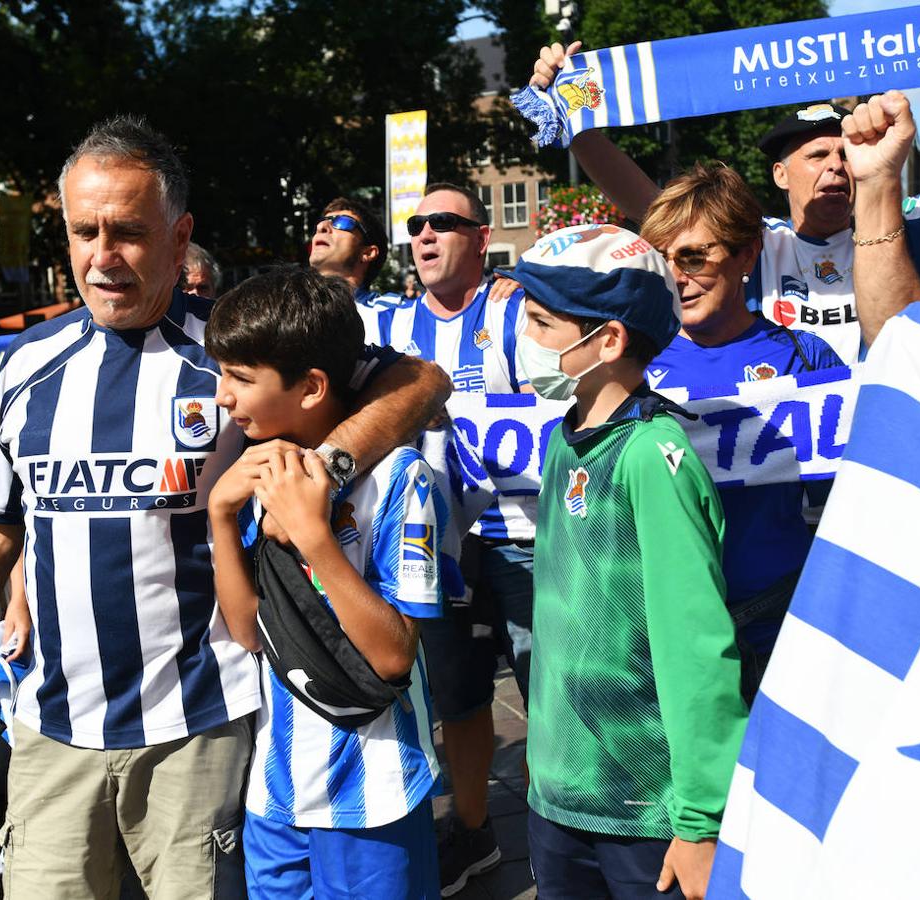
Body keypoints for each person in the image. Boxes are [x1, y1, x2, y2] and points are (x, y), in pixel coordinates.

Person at [0, 115, 452, 900]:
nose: (102, 257)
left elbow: (420, 380)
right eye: (84, 232)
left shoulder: (232, 357)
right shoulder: (24, 369)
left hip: (198, 736)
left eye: (128, 233)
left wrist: (320, 470)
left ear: (179, 241)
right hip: (51, 736)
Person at [525, 42, 920, 361]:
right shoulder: (753, 245)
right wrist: (574, 120)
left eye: (846, 152)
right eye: (817, 155)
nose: (838, 166)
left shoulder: (908, 226)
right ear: (779, 174)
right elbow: (651, 206)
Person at [508, 223, 746, 900]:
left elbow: (693, 644)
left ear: (607, 340)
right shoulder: (565, 438)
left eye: (541, 322)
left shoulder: (650, 455)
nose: (525, 342)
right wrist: (541, 761)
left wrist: (702, 820)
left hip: (647, 815)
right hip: (559, 798)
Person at [206, 266, 445, 899]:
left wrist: (314, 536)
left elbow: (395, 653)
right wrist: (222, 519)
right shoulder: (262, 463)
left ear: (312, 386)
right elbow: (248, 634)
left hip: (375, 792)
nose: (223, 397)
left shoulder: (399, 477)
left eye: (241, 379)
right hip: (276, 794)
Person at [361, 182, 531, 894]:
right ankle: (474, 834)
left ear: (481, 237)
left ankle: (566, 834)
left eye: (445, 223)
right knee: (460, 703)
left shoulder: (521, 308)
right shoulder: (395, 326)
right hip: (438, 548)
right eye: (417, 225)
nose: (425, 234)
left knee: (552, 693)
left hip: (528, 536)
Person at [638, 160, 842, 700]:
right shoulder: (630, 365)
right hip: (664, 632)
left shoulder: (805, 356)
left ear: (748, 253)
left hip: (781, 622)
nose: (677, 276)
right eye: (664, 260)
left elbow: (842, 507)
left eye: (694, 256)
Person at [308, 196, 396, 306]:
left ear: (368, 253)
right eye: (321, 221)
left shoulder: (395, 314)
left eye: (342, 222)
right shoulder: (285, 309)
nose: (321, 227)